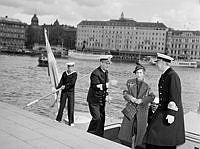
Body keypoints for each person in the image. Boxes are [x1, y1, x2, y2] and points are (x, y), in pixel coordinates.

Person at [144, 53, 185, 149]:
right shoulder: (165, 75)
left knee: (162, 137)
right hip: (163, 109)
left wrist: (171, 114)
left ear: (163, 62)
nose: (156, 64)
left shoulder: (172, 76)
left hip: (169, 112)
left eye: (158, 62)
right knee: (152, 134)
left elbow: (175, 96)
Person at [118, 64, 155, 149]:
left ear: (143, 73)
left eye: (140, 72)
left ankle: (138, 146)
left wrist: (142, 100)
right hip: (130, 109)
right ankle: (125, 146)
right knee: (126, 131)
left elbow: (152, 97)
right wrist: (131, 98)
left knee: (140, 132)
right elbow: (124, 93)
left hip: (142, 111)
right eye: (137, 72)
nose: (139, 74)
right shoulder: (129, 82)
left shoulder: (148, 85)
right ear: (135, 73)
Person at [87, 55, 112, 137]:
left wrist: (107, 95)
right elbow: (96, 86)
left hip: (101, 100)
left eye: (109, 64)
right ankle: (89, 134)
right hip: (94, 100)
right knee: (96, 118)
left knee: (102, 119)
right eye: (106, 63)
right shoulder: (95, 73)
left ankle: (100, 136)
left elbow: (105, 88)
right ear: (101, 63)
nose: (107, 65)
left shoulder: (106, 72)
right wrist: (108, 85)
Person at [53, 62, 77, 126]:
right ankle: (58, 119)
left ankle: (71, 122)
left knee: (70, 106)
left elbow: (72, 83)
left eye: (71, 67)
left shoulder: (75, 74)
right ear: (67, 67)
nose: (70, 68)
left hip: (70, 92)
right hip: (64, 92)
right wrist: (56, 88)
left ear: (73, 67)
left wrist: (65, 86)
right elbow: (61, 82)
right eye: (69, 67)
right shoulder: (64, 73)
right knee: (62, 105)